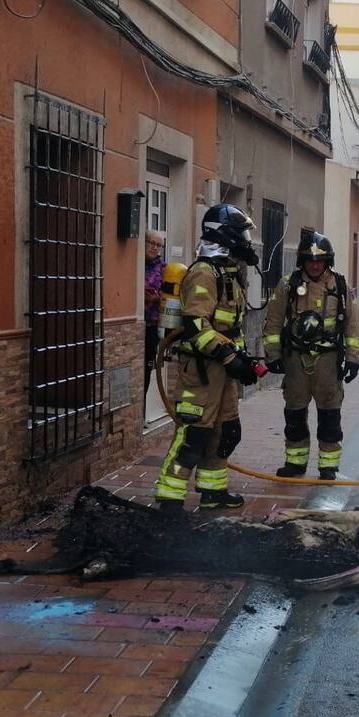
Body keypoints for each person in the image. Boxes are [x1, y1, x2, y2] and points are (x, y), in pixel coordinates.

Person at [154, 204, 260, 516]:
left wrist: (243, 361)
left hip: (222, 372)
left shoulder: (228, 272)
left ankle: (213, 492)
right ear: (225, 233)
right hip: (201, 373)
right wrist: (231, 359)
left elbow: (229, 327)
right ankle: (169, 499)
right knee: (193, 435)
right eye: (242, 232)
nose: (246, 239)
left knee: (224, 432)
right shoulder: (204, 272)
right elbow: (196, 327)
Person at [263, 231, 359, 481]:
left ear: (328, 261)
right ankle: (295, 463)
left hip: (328, 362)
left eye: (319, 260)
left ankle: (328, 466)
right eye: (310, 260)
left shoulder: (340, 287)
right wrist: (272, 355)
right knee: (294, 413)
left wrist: (353, 358)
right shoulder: (288, 285)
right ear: (302, 262)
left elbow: (352, 325)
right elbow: (273, 322)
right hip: (296, 359)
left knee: (330, 415)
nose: (315, 265)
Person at [143, 230, 165, 407]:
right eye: (151, 243)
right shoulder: (133, 265)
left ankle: (141, 411)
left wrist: (156, 298)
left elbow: (173, 296)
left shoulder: (164, 269)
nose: (154, 248)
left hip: (151, 327)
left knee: (145, 370)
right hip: (136, 325)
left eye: (158, 245)